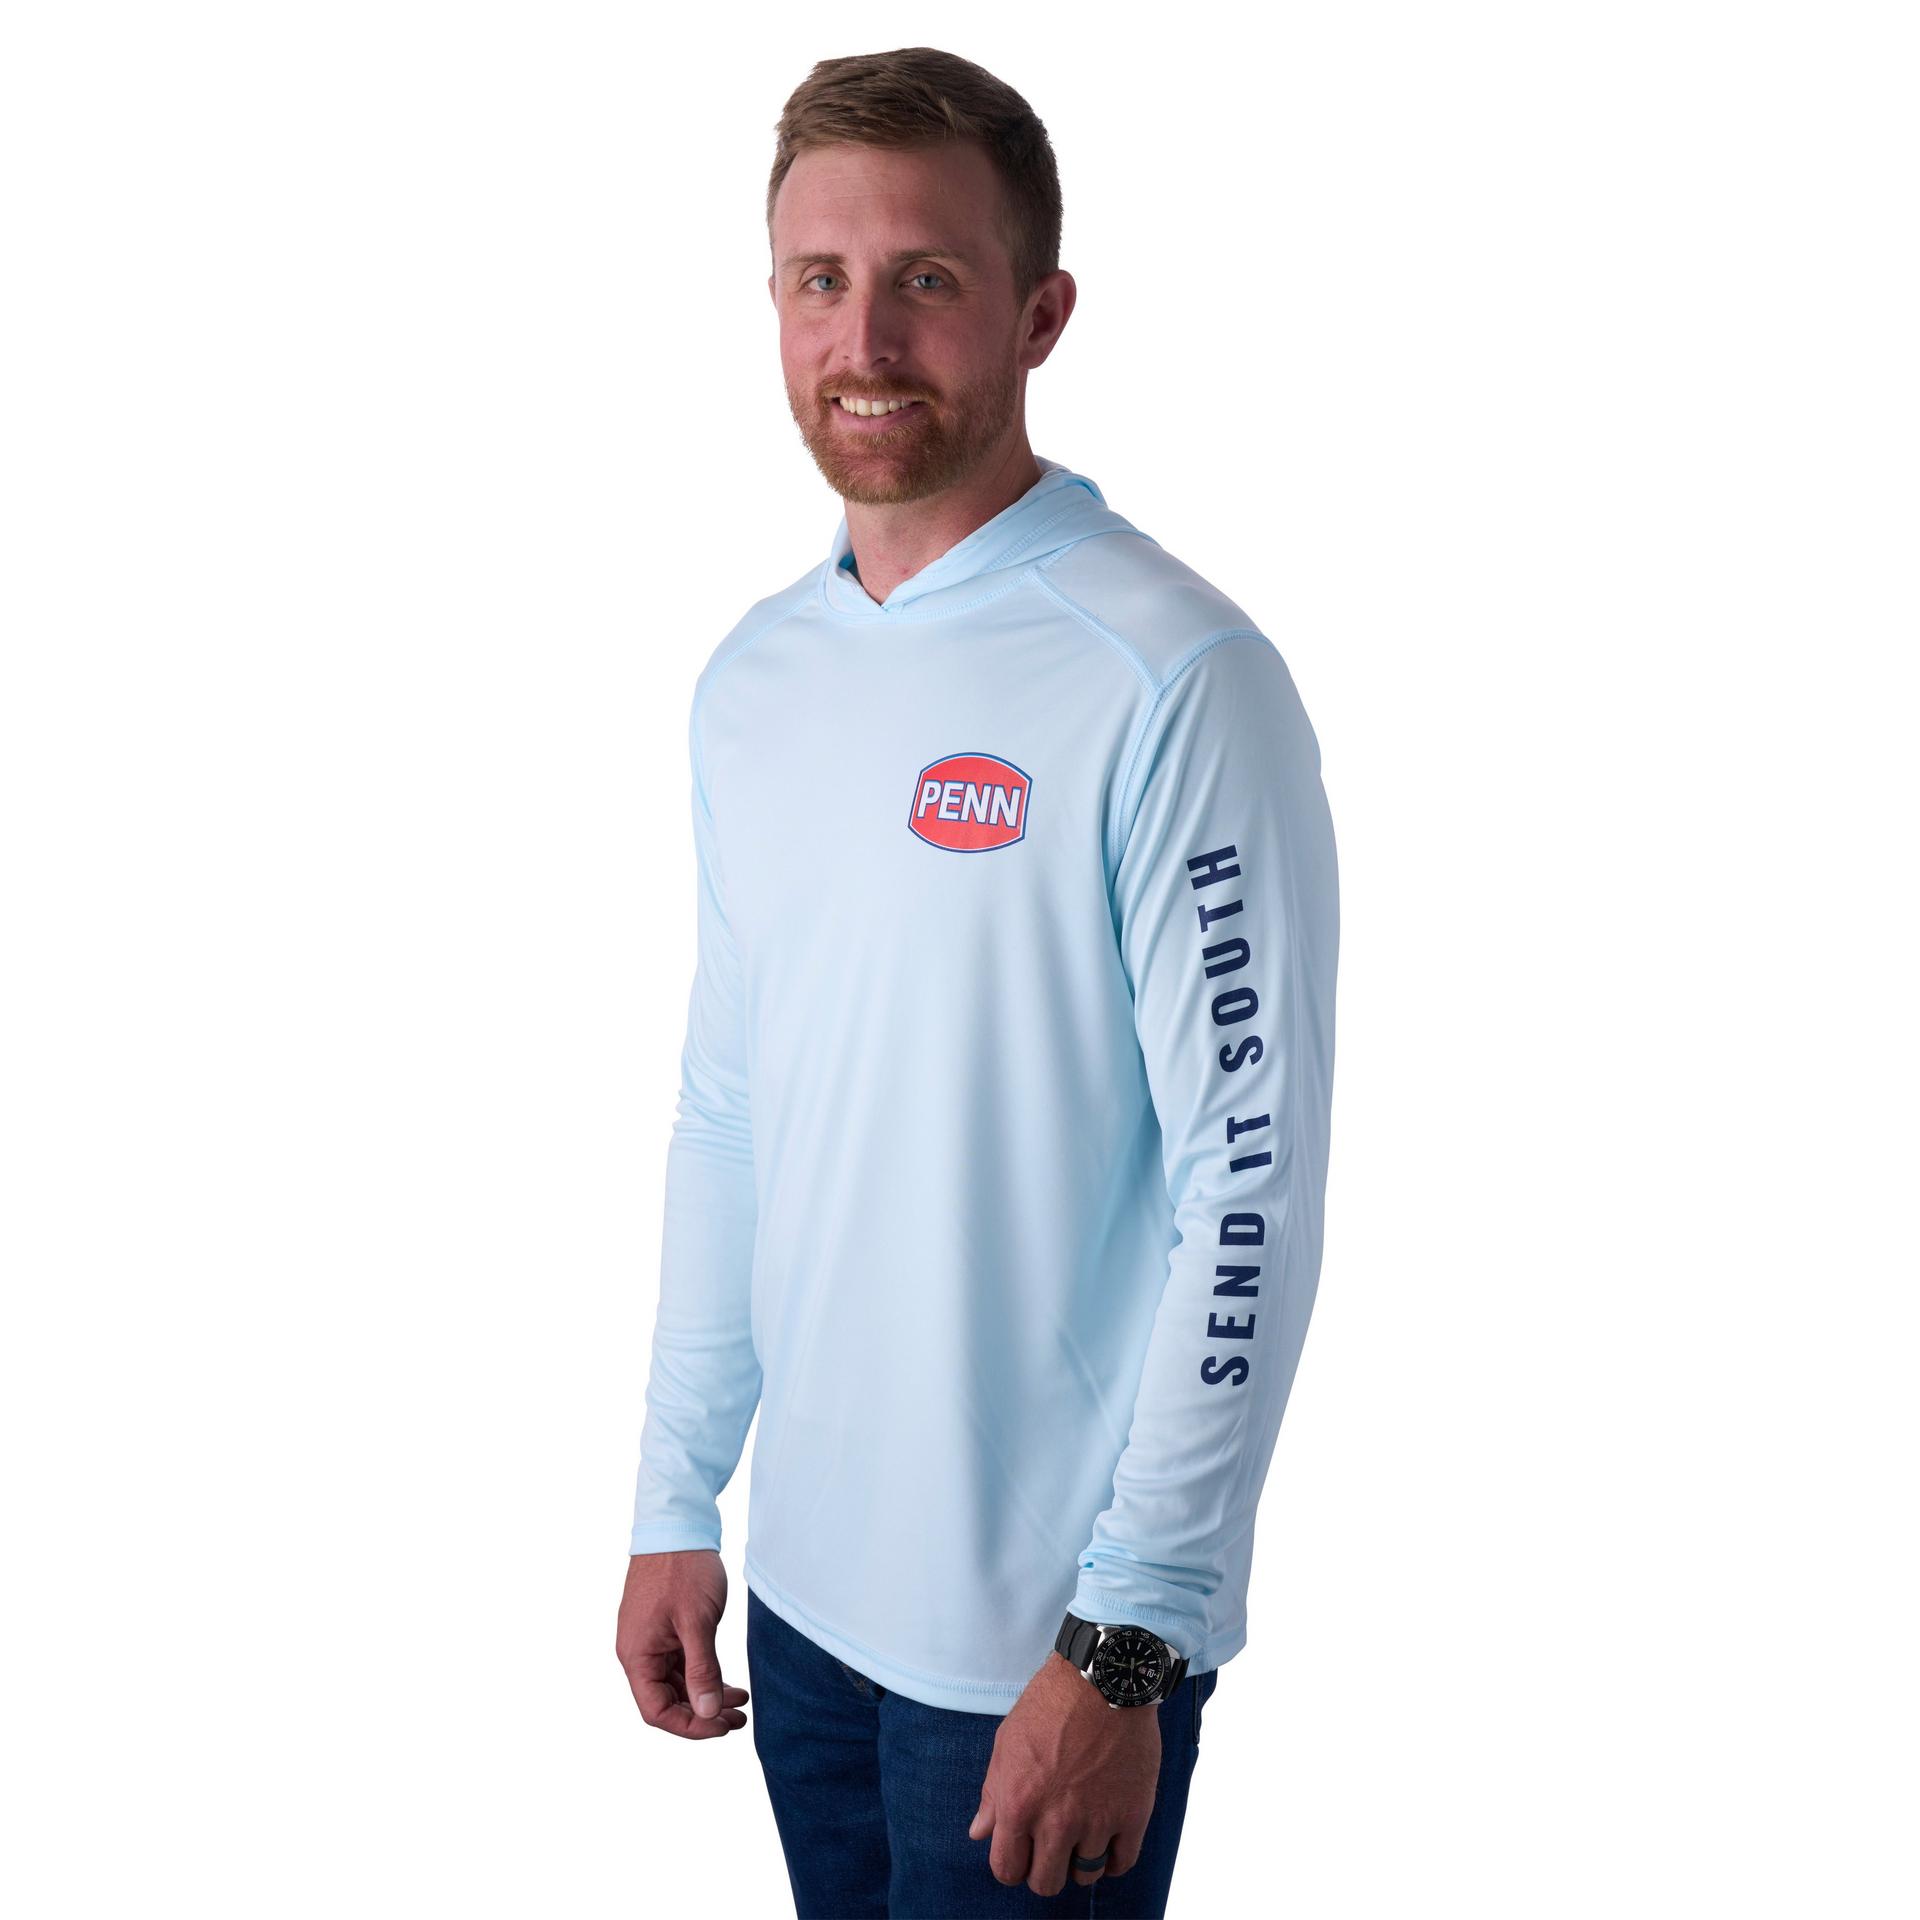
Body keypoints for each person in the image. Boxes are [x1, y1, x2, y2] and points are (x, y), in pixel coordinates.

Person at [615, 45, 1340, 1918]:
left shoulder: (1169, 675)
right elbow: (732, 1109)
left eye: (925, 278)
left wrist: (1130, 1640)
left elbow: (1249, 1189)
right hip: (804, 1614)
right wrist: (677, 1495)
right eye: (821, 279)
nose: (864, 340)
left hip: (1040, 1651)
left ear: (1039, 313)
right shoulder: (754, 680)